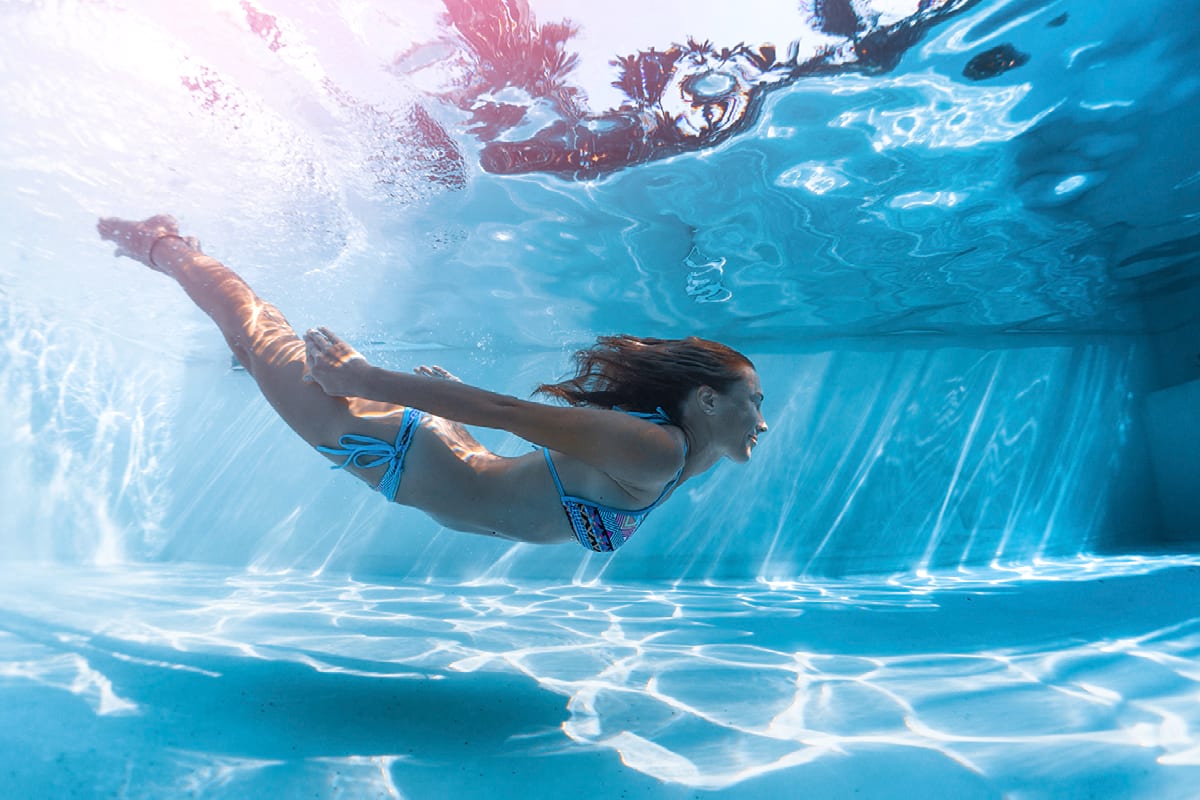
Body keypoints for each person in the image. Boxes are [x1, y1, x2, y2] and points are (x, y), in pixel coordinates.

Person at [97, 215, 767, 551]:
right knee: (256, 329)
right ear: (707, 400)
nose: (763, 422)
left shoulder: (696, 455)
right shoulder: (658, 451)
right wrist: (366, 377)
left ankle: (250, 351)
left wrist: (441, 419)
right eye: (754, 404)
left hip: (434, 447)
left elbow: (521, 471)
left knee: (266, 351)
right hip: (388, 450)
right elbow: (504, 410)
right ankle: (165, 243)